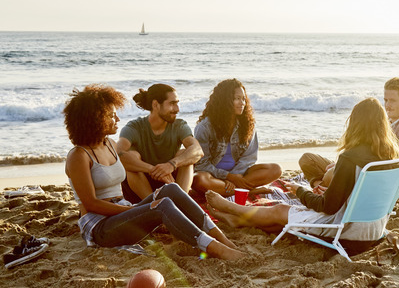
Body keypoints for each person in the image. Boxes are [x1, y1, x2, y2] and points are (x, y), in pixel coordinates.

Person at [63, 84, 244, 260]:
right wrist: (133, 208)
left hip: (122, 212)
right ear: (95, 119)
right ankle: (214, 248)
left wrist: (133, 207)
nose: (117, 119)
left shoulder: (109, 144)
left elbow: (194, 151)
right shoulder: (78, 156)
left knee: (171, 190)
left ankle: (222, 238)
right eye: (111, 115)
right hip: (100, 226)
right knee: (162, 204)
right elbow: (91, 204)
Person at [205, 98, 399, 243]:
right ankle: (237, 221)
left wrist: (299, 191)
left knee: (282, 210)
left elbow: (327, 208)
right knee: (287, 220)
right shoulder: (393, 157)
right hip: (374, 230)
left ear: (355, 125)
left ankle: (233, 208)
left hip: (347, 234)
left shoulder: (350, 158)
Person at [298, 77, 399, 192]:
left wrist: (345, 167)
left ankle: (323, 190)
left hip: (373, 180)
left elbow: (392, 169)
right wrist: (341, 165)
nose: (387, 105)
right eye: (385, 100)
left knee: (331, 173)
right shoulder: (386, 122)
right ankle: (320, 187)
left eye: (392, 101)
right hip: (360, 168)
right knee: (307, 159)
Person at [191, 79, 281, 196]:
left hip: (240, 174)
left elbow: (249, 157)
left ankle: (230, 190)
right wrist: (228, 177)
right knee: (199, 180)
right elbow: (202, 164)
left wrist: (236, 177)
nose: (242, 103)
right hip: (212, 175)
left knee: (275, 169)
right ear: (225, 100)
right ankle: (247, 191)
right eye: (237, 98)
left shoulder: (247, 124)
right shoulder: (205, 127)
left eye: (243, 99)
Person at [116, 84, 204, 203]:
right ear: (155, 105)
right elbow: (118, 155)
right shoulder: (134, 127)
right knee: (131, 156)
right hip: (140, 192)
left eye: (177, 103)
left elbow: (198, 150)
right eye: (172, 103)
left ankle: (180, 203)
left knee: (185, 156)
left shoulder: (179, 125)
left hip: (169, 182)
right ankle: (154, 205)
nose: (177, 109)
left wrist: (171, 164)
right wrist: (153, 170)